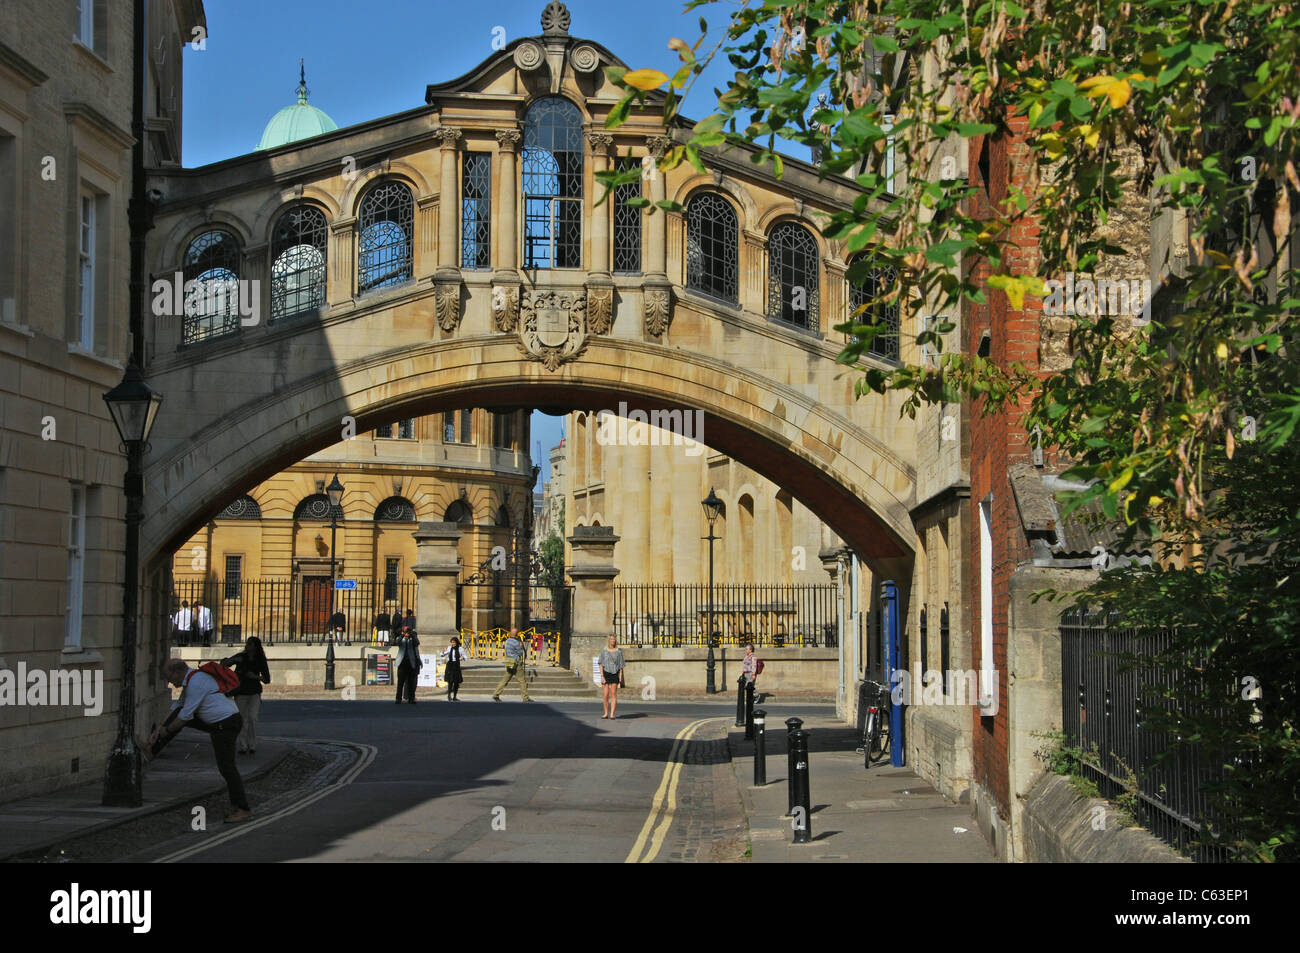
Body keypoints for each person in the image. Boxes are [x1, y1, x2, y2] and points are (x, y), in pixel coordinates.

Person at [143, 658, 252, 823]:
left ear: (177, 672)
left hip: (225, 724)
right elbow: (176, 707)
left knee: (227, 767)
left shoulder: (196, 682)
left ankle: (243, 808)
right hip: (218, 723)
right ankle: (152, 749)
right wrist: (158, 729)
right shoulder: (191, 679)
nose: (169, 682)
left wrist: (166, 731)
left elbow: (185, 716)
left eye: (169, 677)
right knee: (179, 717)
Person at [222, 636, 271, 754]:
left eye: (250, 644)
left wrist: (255, 677)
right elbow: (224, 665)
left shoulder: (260, 660)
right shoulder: (241, 657)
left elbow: (267, 679)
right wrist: (231, 661)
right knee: (243, 719)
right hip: (241, 691)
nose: (247, 646)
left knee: (253, 718)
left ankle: (252, 744)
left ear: (255, 646)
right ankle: (243, 745)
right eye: (247, 644)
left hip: (254, 691)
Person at [492, 627, 532, 702]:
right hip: (516, 662)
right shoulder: (517, 643)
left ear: (510, 633)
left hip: (509, 661)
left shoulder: (507, 641)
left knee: (505, 679)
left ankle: (496, 694)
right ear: (517, 634)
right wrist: (520, 646)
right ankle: (525, 697)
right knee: (522, 680)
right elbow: (520, 653)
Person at [599, 635, 625, 719]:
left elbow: (621, 665)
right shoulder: (604, 651)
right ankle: (606, 713)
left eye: (614, 639)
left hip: (614, 674)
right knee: (605, 695)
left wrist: (620, 676)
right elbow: (601, 664)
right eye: (611, 639)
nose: (613, 640)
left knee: (613, 694)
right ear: (609, 641)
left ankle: (612, 714)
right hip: (606, 673)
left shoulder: (619, 652)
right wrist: (602, 676)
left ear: (615, 641)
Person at [394, 625, 421, 704]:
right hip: (402, 663)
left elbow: (417, 643)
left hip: (410, 663)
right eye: (406, 632)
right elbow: (397, 642)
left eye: (408, 632)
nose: (407, 633)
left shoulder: (412, 640)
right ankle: (398, 698)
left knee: (410, 682)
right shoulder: (401, 639)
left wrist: (412, 634)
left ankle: (411, 698)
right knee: (400, 682)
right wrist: (403, 634)